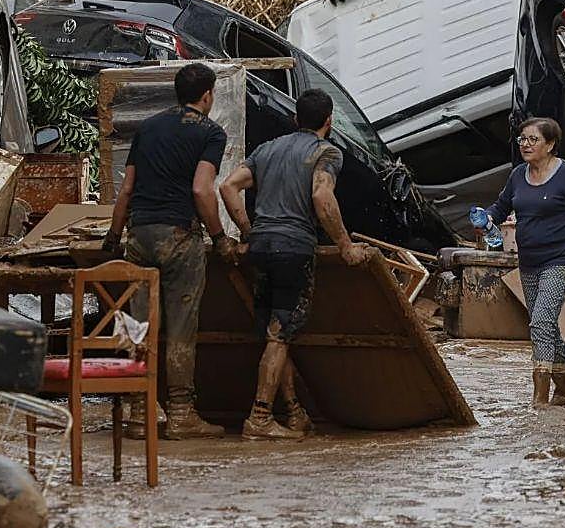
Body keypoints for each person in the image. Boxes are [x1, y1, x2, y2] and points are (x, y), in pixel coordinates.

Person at [219, 88, 371, 440]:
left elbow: (228, 187)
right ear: (329, 122)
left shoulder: (267, 150)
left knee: (274, 334)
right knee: (280, 334)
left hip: (262, 249)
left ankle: (294, 413)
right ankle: (259, 418)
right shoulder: (326, 152)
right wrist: (345, 245)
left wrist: (248, 230)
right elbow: (321, 195)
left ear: (294, 118)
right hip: (293, 249)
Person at [103, 63, 239, 439]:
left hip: (139, 235)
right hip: (179, 236)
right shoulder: (210, 132)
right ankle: (181, 414)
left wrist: (114, 236)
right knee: (181, 327)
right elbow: (201, 190)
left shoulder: (147, 128)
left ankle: (138, 412)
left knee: (137, 324)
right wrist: (219, 236)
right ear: (208, 95)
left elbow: (126, 190)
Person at [482, 117, 565, 409]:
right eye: (522, 139)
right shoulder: (518, 175)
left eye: (533, 139)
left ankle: (540, 398)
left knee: (543, 320)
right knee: (543, 327)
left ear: (550, 144)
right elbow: (501, 206)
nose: (525, 144)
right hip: (529, 261)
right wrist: (488, 218)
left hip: (561, 258)